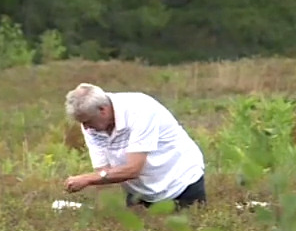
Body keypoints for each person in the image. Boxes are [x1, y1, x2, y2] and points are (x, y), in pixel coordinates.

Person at [62, 83, 207, 209]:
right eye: (82, 123)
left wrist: (87, 179)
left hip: (179, 183)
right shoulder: (92, 124)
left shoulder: (140, 110)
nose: (86, 128)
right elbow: (102, 171)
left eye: (88, 121)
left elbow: (133, 169)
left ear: (103, 110)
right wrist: (104, 211)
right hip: (139, 192)